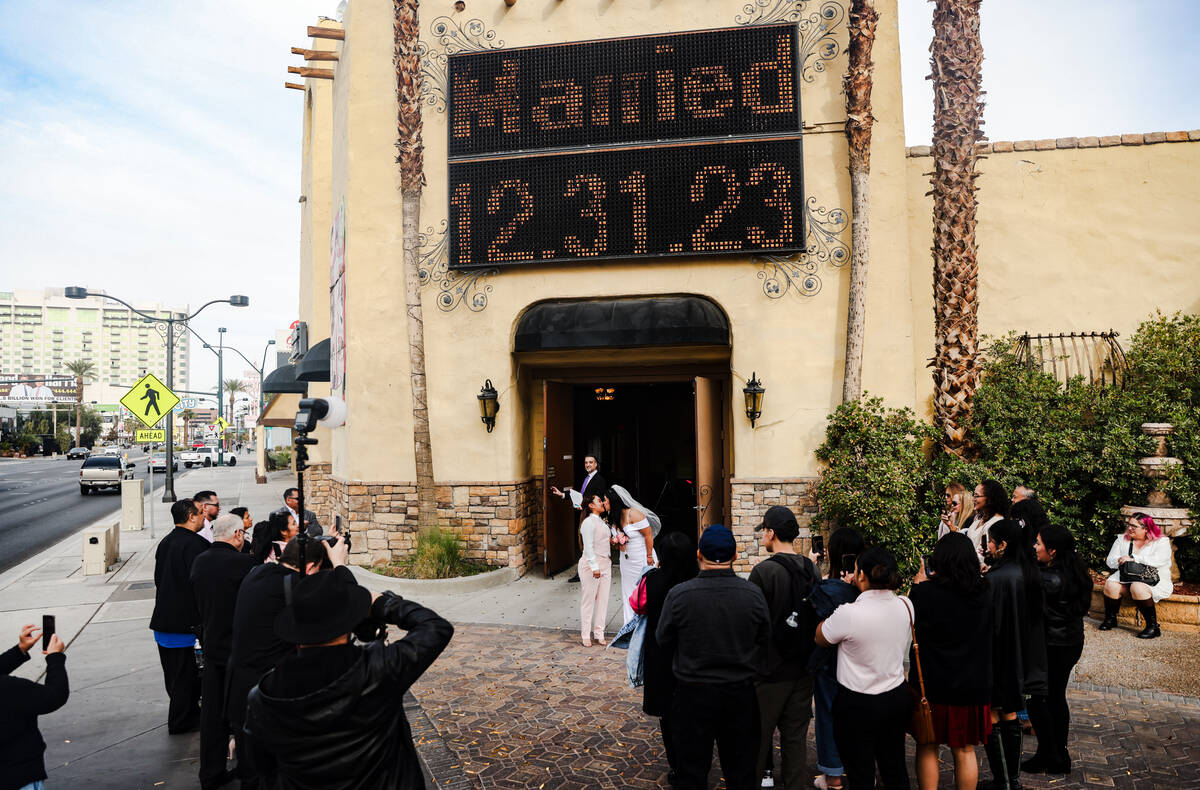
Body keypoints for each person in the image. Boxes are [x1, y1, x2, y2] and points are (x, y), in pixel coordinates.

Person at [244, 565, 453, 788]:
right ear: (348, 622)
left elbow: (262, 767)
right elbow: (435, 628)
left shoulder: (263, 697)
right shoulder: (379, 669)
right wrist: (382, 604)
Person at [655, 524, 770, 790]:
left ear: (699, 554)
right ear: (735, 555)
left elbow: (663, 639)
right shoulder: (752, 595)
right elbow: (764, 639)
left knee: (691, 772)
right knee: (741, 771)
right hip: (739, 693)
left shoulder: (680, 595)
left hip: (692, 693)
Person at [226, 536, 338, 789]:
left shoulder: (259, 573)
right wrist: (339, 565)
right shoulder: (294, 585)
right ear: (310, 568)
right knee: (274, 773)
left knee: (251, 772)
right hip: (270, 695)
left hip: (240, 687)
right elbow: (342, 599)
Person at [815, 547, 913, 790]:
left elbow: (821, 637)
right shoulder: (906, 605)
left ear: (861, 575)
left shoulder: (849, 613)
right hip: (895, 697)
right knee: (895, 767)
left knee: (860, 772)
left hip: (856, 704)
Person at [909, 533, 994, 790]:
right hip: (972, 684)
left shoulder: (924, 593)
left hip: (932, 684)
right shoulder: (985, 591)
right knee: (965, 749)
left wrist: (918, 585)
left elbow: (911, 627)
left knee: (926, 746)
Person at [749, 505, 818, 790]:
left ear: (771, 533)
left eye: (763, 531)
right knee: (795, 741)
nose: (762, 537)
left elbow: (753, 623)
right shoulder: (810, 568)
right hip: (803, 669)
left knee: (756, 740)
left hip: (769, 671)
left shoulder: (763, 572)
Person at [190, 513, 257, 790]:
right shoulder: (245, 564)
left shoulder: (200, 561)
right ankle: (247, 769)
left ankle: (211, 772)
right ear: (238, 535)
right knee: (241, 714)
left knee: (212, 715)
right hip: (238, 651)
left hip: (211, 645)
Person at [983, 518, 1048, 790]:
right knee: (1011, 713)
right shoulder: (1030, 572)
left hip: (999, 656)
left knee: (996, 715)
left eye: (990, 542)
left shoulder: (995, 579)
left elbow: (989, 622)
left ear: (1003, 545)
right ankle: (1013, 780)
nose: (987, 547)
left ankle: (1003, 781)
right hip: (1024, 657)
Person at [1023, 524, 1092, 775]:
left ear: (1052, 551)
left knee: (1038, 698)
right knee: (1055, 697)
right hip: (1071, 642)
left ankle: (1049, 753)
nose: (1035, 547)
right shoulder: (1076, 573)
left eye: (1039, 543)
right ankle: (1057, 754)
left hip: (1052, 645)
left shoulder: (1046, 579)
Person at [808, 527, 865, 790]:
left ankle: (833, 776)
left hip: (831, 664)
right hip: (862, 664)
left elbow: (813, 605)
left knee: (828, 715)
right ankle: (861, 771)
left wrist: (811, 566)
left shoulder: (828, 589)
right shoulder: (867, 588)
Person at [641, 531, 699, 787]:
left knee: (668, 714)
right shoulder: (695, 582)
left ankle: (677, 764)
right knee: (692, 712)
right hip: (690, 653)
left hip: (660, 652)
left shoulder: (652, 581)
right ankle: (692, 762)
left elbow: (638, 605)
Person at [149, 498, 209, 734]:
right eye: (200, 513)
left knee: (174, 677)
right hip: (184, 625)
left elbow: (158, 579)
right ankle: (182, 721)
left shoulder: (166, 542)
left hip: (163, 622)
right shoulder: (196, 545)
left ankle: (186, 715)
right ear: (191, 516)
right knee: (186, 678)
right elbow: (201, 584)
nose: (204, 516)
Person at [0, 624, 68, 790]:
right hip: (17, 776)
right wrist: (55, 658)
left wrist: (19, 650)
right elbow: (54, 696)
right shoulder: (9, 689)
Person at [1099, 512, 1173, 639]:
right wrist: (1121, 559)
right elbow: (1110, 561)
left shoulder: (1161, 541)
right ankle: (1111, 619)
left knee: (1137, 587)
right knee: (1111, 585)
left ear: (1146, 529)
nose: (1129, 528)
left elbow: (1160, 560)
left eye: (1134, 526)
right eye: (1129, 524)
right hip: (1126, 576)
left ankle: (1153, 627)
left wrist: (1134, 558)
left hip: (1152, 578)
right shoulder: (1122, 539)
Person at [605, 485, 660, 625]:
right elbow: (618, 545)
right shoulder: (612, 519)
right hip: (627, 561)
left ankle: (649, 623)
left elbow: (648, 535)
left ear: (613, 501)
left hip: (642, 558)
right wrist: (615, 542)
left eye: (605, 501)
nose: (604, 503)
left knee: (646, 591)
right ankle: (630, 624)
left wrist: (649, 556)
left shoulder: (633, 514)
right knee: (629, 592)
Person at [551, 455, 608, 582]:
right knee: (584, 542)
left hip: (590, 515)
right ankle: (587, 570)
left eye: (590, 462)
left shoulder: (599, 480)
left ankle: (584, 572)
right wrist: (562, 495)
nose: (588, 465)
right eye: (586, 462)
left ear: (596, 464)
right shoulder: (587, 478)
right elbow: (580, 496)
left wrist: (586, 507)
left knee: (586, 542)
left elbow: (597, 500)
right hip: (585, 513)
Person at [577, 494, 612, 646]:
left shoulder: (603, 522)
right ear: (591, 505)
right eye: (599, 501)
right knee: (589, 600)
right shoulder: (588, 522)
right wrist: (594, 566)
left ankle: (599, 632)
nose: (602, 503)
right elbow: (588, 546)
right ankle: (585, 634)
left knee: (603, 600)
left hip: (606, 563)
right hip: (591, 565)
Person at [967, 480, 1008, 564]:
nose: (973, 499)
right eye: (973, 495)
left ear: (989, 499)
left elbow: (984, 554)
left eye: (977, 496)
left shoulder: (996, 522)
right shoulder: (978, 518)